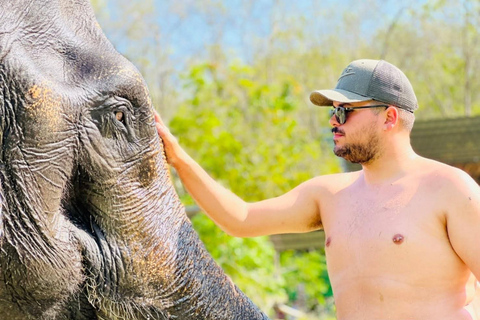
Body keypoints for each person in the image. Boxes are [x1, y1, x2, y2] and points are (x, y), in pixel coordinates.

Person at [154, 59, 480, 320]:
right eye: (332, 111)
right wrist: (179, 158)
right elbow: (241, 218)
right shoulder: (328, 195)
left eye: (345, 111)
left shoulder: (448, 189)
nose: (333, 122)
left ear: (389, 117)